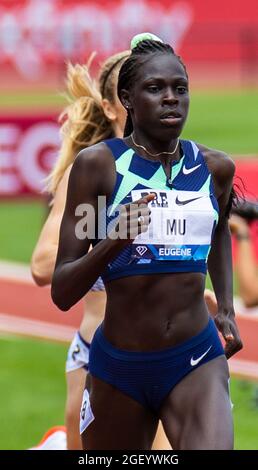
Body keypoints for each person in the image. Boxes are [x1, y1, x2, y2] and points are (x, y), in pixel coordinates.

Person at [51, 33, 243, 450]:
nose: (171, 98)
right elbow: (63, 289)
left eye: (180, 89)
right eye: (155, 89)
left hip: (195, 359)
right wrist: (113, 240)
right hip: (119, 369)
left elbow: (218, 228)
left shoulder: (214, 169)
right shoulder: (99, 170)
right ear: (128, 99)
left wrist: (226, 308)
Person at [31, 50, 170, 450]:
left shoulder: (187, 170)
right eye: (134, 94)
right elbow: (43, 265)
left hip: (170, 354)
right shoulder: (90, 173)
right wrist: (108, 239)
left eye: (160, 89)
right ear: (111, 107)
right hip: (97, 355)